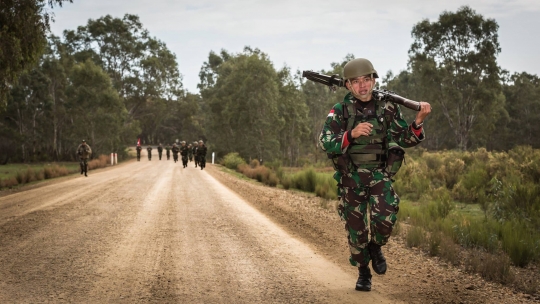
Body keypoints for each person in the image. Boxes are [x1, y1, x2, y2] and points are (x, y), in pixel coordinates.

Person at [318, 58, 431, 292]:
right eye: (356, 82)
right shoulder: (340, 111)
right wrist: (351, 134)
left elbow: (405, 139)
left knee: (385, 220)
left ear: (373, 80)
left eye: (366, 80)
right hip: (351, 177)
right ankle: (363, 272)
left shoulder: (387, 108)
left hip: (380, 175)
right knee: (356, 231)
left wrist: (418, 122)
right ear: (348, 85)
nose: (362, 86)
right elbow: (325, 141)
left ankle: (376, 246)